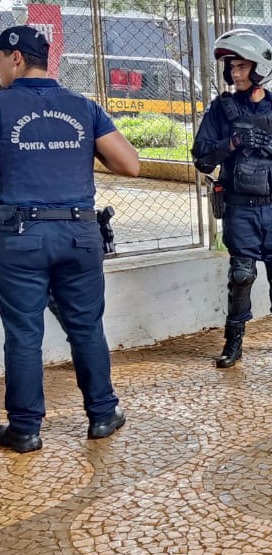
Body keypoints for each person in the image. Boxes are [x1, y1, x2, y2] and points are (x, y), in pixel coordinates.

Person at [0, 25, 139, 454]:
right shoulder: (83, 106)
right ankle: (102, 413)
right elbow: (129, 165)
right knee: (86, 326)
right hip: (80, 232)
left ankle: (25, 430)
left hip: (20, 234)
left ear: (16, 58)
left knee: (24, 332)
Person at [192, 28, 272, 368]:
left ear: (260, 68)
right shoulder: (221, 110)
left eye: (242, 67)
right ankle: (233, 344)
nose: (235, 73)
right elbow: (201, 158)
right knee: (242, 275)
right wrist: (230, 144)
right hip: (240, 209)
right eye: (231, 67)